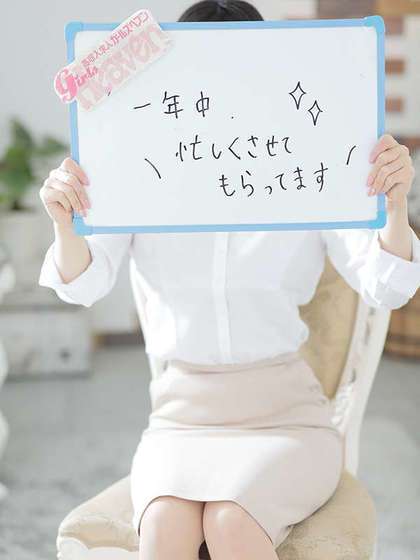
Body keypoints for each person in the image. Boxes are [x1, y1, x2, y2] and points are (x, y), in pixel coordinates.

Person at [38, 2, 420, 559]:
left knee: (233, 521)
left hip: (286, 419)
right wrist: (64, 222)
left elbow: (387, 285)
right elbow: (84, 285)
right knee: (164, 529)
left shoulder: (304, 164)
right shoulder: (140, 166)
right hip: (179, 420)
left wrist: (394, 205)